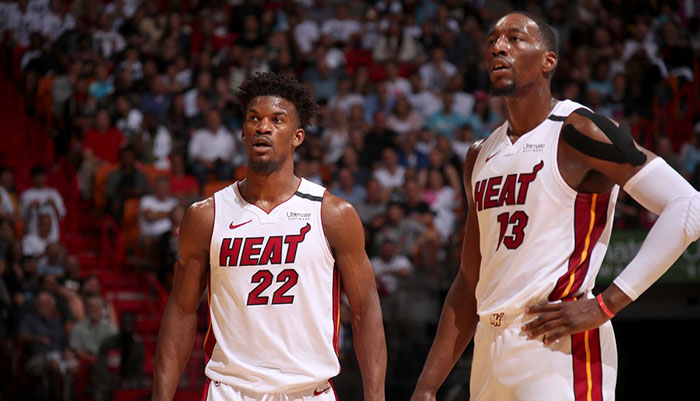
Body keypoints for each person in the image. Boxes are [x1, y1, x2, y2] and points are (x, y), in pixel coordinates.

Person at [411, 13, 700, 401]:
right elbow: (468, 279)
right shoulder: (479, 156)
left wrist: (605, 305)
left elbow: (687, 205)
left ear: (549, 61)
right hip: (489, 348)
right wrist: (427, 386)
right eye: (493, 40)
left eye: (515, 39)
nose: (498, 47)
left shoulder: (578, 130)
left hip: (559, 346)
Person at [153, 72, 386, 401]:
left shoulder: (333, 215)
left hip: (308, 392)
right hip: (230, 392)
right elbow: (181, 312)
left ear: (297, 136)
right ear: (243, 133)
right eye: (254, 119)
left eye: (277, 120)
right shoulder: (206, 216)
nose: (263, 127)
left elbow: (365, 311)